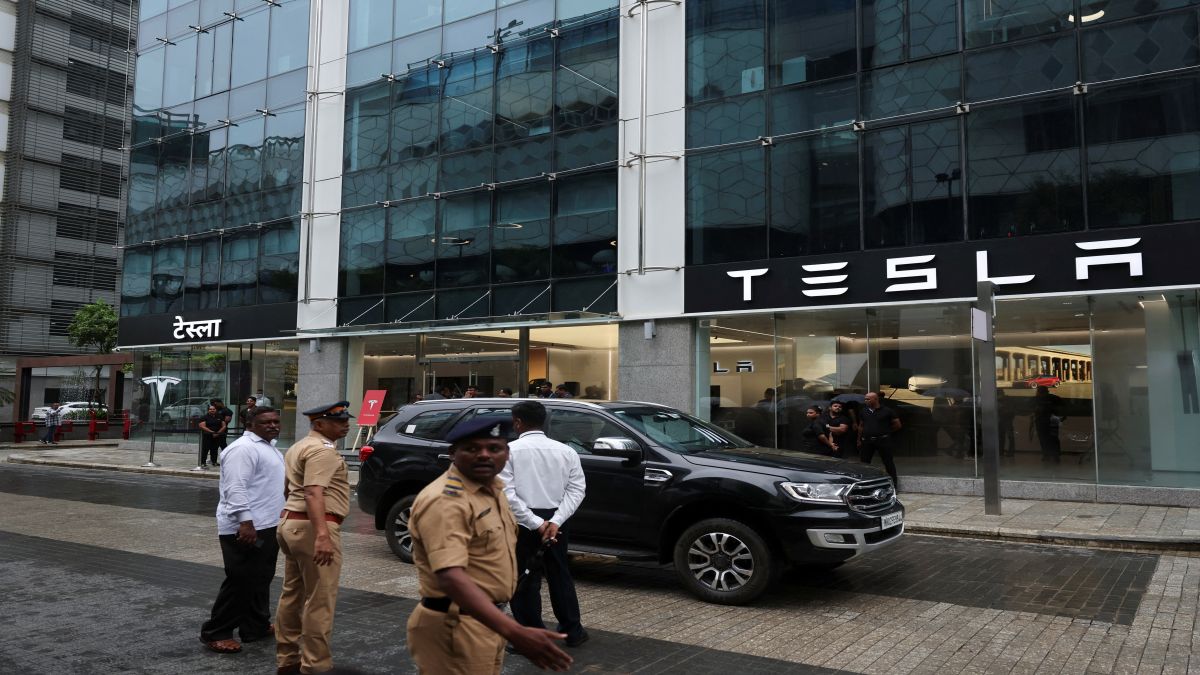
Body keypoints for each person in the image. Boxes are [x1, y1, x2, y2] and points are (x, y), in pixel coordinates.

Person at [407, 416, 573, 674]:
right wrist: (515, 631)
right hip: (457, 625)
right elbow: (450, 576)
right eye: (472, 449)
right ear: (453, 453)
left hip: (485, 620)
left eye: (494, 448)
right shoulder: (447, 500)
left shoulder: (493, 489)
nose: (484, 455)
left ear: (507, 454)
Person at [500, 401, 588, 650]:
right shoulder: (566, 451)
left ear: (517, 422)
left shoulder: (510, 450)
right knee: (560, 575)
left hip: (523, 522)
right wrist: (556, 521)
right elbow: (577, 489)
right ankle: (572, 631)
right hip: (557, 520)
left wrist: (536, 523)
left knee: (525, 579)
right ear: (543, 421)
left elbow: (506, 493)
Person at [275, 401, 354, 675]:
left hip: (291, 523)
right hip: (313, 527)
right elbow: (312, 492)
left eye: (345, 419)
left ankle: (287, 660)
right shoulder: (323, 451)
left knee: (292, 595)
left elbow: (288, 489)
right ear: (319, 424)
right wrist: (322, 535)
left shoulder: (298, 446)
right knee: (320, 600)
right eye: (338, 420)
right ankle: (315, 666)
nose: (346, 424)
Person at [200, 407, 286, 654]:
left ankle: (255, 625)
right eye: (266, 422)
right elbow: (235, 488)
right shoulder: (242, 449)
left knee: (260, 578)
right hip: (245, 528)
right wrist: (245, 523)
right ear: (250, 423)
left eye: (276, 421)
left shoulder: (268, 447)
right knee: (241, 580)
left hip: (267, 525)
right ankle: (216, 632)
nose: (273, 425)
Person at [857, 391, 902, 489]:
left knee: (888, 463)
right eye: (865, 399)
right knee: (864, 463)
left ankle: (894, 486)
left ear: (875, 399)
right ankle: (863, 486)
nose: (865, 401)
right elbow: (861, 426)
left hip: (883, 441)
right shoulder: (864, 411)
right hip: (867, 441)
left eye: (868, 399)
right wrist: (859, 439)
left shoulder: (887, 411)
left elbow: (897, 425)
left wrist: (886, 432)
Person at [1030, 385, 1064, 463]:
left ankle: (1047, 455)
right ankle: (1055, 456)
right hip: (1051, 421)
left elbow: (1030, 408)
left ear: (1039, 392)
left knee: (1043, 439)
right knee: (1053, 438)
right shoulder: (1054, 398)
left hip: (1042, 421)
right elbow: (1063, 407)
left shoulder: (1036, 399)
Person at [197, 404, 226, 470]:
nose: (212, 410)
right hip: (207, 435)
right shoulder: (204, 417)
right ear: (208, 410)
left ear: (216, 410)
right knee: (205, 449)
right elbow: (202, 426)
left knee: (215, 449)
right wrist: (211, 432)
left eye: (213, 409)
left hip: (217, 435)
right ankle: (203, 462)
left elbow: (224, 426)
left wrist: (218, 433)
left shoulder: (220, 417)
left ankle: (214, 462)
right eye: (210, 409)